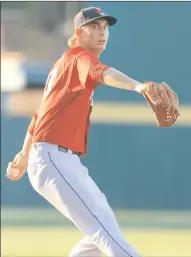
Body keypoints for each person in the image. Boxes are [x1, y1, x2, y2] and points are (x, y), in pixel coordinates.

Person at [6, 6, 170, 257]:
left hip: (57, 160)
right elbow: (104, 74)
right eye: (93, 26)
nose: (102, 32)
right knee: (105, 232)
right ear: (79, 33)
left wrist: (23, 155)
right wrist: (138, 87)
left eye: (105, 27)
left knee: (100, 231)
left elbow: (40, 114)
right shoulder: (79, 58)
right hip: (54, 159)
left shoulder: (64, 64)